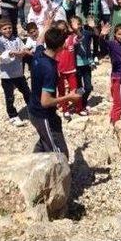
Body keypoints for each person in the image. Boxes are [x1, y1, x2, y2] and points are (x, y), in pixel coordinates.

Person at [29, 27, 82, 158]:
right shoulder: (50, 69)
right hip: (43, 115)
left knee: (44, 143)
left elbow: (39, 41)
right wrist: (69, 97)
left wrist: (46, 26)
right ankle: (61, 176)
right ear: (61, 45)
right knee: (59, 153)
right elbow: (45, 101)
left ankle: (32, 166)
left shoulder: (39, 53)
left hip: (35, 110)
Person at [0, 17, 31, 127]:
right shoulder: (0, 41)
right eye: (5, 29)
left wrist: (15, 53)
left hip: (18, 73)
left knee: (27, 92)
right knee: (9, 96)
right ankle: (12, 116)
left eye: (9, 28)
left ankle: (33, 110)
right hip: (6, 75)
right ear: (0, 30)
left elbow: (24, 51)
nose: (8, 30)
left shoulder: (17, 39)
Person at [100, 22, 121, 124]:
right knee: (117, 102)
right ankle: (114, 121)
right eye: (119, 34)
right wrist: (102, 34)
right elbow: (103, 44)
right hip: (116, 76)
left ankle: (114, 117)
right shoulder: (112, 44)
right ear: (115, 35)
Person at [54, 20, 81, 118]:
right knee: (61, 91)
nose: (62, 31)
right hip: (59, 70)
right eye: (59, 30)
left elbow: (80, 37)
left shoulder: (71, 37)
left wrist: (75, 30)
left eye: (64, 29)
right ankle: (64, 108)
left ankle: (79, 108)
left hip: (71, 69)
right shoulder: (55, 41)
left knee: (74, 90)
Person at [71, 15, 95, 115]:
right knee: (79, 87)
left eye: (78, 23)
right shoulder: (70, 36)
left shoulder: (86, 33)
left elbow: (96, 36)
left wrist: (93, 27)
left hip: (86, 64)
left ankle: (83, 101)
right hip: (75, 66)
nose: (76, 26)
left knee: (88, 87)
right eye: (73, 23)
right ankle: (81, 105)